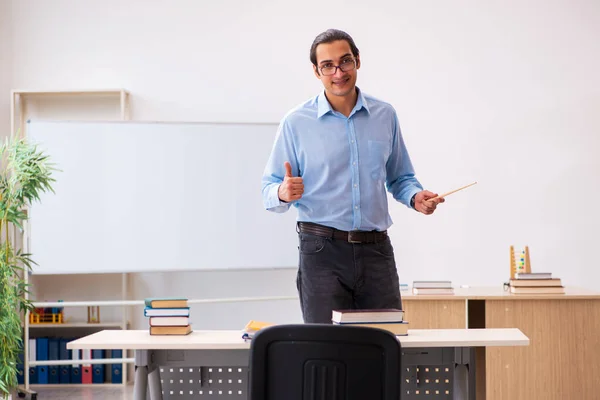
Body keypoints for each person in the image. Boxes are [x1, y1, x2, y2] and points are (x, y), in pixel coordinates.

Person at [261, 28, 445, 324]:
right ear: (316, 71)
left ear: (357, 61)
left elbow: (400, 177)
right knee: (326, 351)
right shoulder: (296, 122)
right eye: (327, 66)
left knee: (384, 343)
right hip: (322, 252)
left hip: (376, 252)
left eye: (345, 61)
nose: (338, 72)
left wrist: (415, 196)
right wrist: (283, 193)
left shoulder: (384, 115)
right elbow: (268, 190)